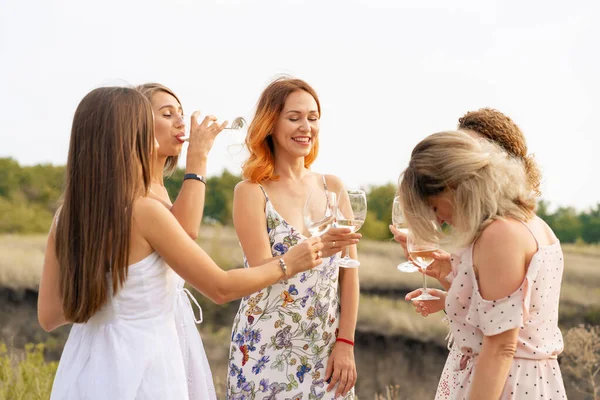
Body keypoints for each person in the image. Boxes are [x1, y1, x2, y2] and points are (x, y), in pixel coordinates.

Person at [37, 86, 323, 400]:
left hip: (84, 368)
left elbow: (50, 316)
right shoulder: (144, 212)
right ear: (125, 137)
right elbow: (220, 287)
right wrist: (290, 263)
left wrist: (109, 303)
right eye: (145, 126)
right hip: (146, 370)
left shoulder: (65, 217)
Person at [398, 130, 566, 399]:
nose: (438, 219)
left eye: (433, 206)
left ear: (453, 186)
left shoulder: (499, 235)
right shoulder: (530, 222)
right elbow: (515, 316)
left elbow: (500, 347)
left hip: (505, 386)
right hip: (530, 381)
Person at [226, 77, 361, 400]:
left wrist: (345, 342)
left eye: (313, 118)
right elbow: (260, 271)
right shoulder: (250, 191)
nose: (306, 127)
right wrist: (301, 255)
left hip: (325, 348)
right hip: (263, 349)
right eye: (294, 117)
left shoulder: (333, 188)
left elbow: (350, 272)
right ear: (270, 123)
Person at [137, 82, 227, 398]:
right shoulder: (138, 193)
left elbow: (183, 231)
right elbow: (187, 233)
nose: (180, 123)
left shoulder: (158, 188)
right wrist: (198, 158)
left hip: (173, 322)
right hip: (146, 329)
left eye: (181, 114)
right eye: (167, 113)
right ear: (136, 123)